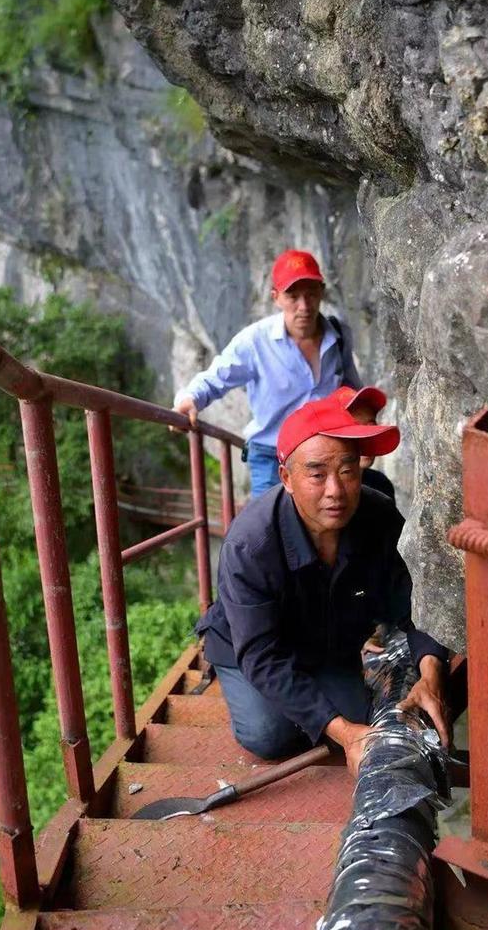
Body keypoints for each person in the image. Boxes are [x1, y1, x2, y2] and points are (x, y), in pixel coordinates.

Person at [196, 396, 450, 776]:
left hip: (324, 642)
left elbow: (415, 602)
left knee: (354, 711)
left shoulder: (378, 516)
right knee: (268, 736)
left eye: (347, 471)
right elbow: (261, 655)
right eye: (316, 474)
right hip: (250, 647)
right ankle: (238, 686)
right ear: (286, 478)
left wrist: (431, 674)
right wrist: (346, 735)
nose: (335, 490)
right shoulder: (250, 545)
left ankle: (316, 697)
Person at [173, 249, 361, 495]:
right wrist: (190, 399)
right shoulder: (255, 341)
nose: (304, 306)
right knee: (268, 528)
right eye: (293, 296)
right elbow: (216, 377)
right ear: (276, 298)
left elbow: (351, 388)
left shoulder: (338, 336)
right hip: (272, 457)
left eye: (311, 294)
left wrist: (362, 416)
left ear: (322, 292)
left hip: (326, 453)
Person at [329, 384, 396, 501]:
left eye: (370, 427)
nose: (366, 437)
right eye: (355, 430)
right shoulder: (323, 491)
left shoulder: (381, 485)